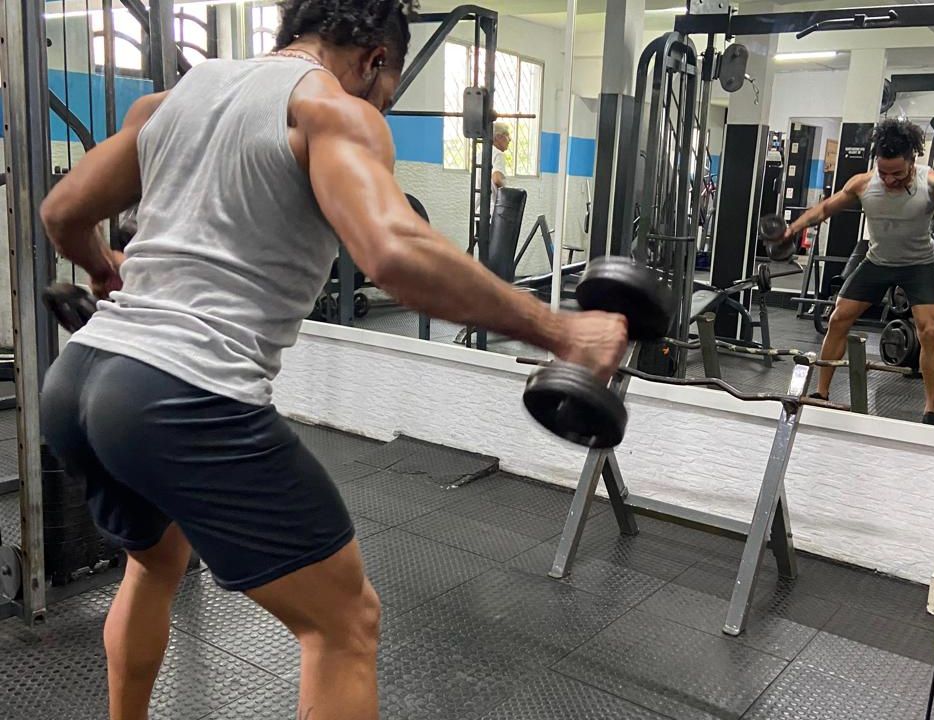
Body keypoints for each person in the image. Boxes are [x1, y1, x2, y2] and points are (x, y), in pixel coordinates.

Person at [37, 2, 627, 720]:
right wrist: (560, 331)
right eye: (390, 89)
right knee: (345, 624)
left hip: (80, 377)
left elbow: (63, 212)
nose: (383, 107)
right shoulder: (330, 110)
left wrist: (104, 269)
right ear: (375, 59)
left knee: (155, 562)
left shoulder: (171, 102)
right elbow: (394, 255)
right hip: (181, 395)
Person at [785, 118, 934, 426]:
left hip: (920, 264)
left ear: (912, 160)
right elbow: (825, 209)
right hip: (877, 261)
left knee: (929, 331)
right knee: (838, 318)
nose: (889, 180)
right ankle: (821, 393)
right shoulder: (863, 184)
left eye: (898, 173)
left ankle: (931, 410)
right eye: (883, 172)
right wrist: (791, 229)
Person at [491, 120, 511, 203]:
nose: (510, 139)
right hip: (492, 207)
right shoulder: (498, 154)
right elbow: (497, 179)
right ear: (498, 137)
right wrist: (508, 196)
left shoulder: (481, 154)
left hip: (478, 207)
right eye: (507, 135)